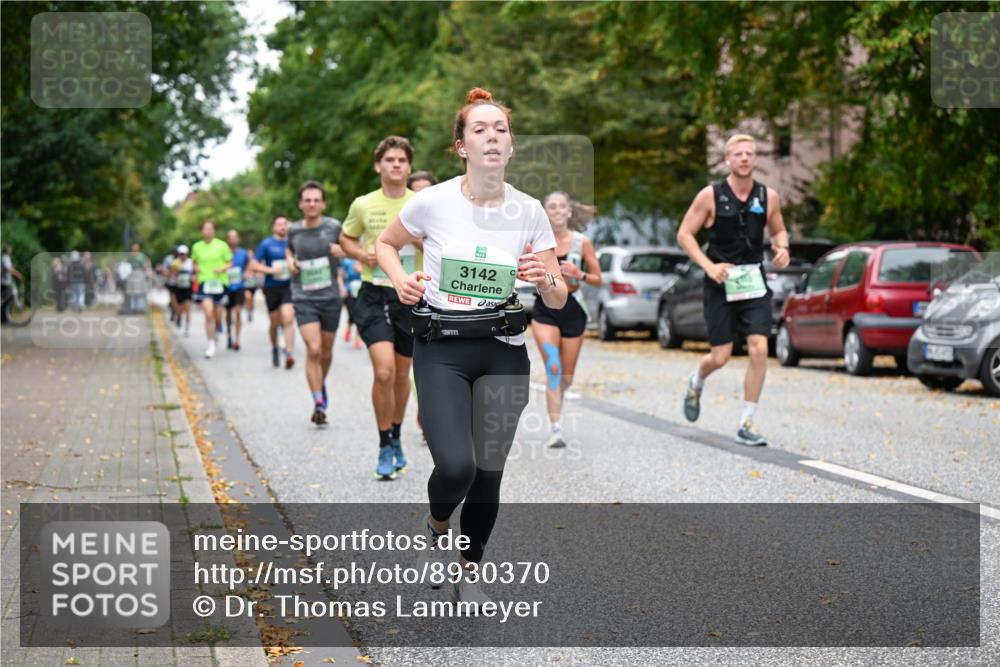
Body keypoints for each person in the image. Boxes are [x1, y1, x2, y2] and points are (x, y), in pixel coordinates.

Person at [375, 87, 567, 604]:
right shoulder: (432, 201)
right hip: (443, 348)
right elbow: (386, 244)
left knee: (488, 472)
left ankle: (469, 566)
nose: (491, 137)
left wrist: (543, 278)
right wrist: (399, 280)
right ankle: (436, 530)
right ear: (461, 145)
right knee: (456, 465)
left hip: (503, 349)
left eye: (500, 129)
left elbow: (559, 289)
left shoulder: (528, 211)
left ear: (511, 145)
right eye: (479, 129)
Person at [676, 133, 790, 446]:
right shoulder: (710, 196)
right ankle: (696, 380)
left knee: (759, 346)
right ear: (728, 160)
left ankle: (747, 421)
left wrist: (783, 248)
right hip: (720, 283)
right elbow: (685, 234)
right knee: (721, 356)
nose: (743, 158)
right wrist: (708, 266)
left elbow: (779, 230)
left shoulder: (769, 197)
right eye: (737, 153)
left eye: (749, 153)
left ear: (755, 159)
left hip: (753, 281)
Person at [340, 135, 420, 479]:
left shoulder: (423, 202)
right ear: (379, 166)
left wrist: (416, 240)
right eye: (390, 160)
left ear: (409, 167)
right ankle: (384, 443)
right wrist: (361, 254)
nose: (396, 165)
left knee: (402, 374)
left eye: (402, 160)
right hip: (373, 292)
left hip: (410, 295)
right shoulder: (362, 204)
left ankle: (398, 434)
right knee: (384, 370)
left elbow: (440, 241)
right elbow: (346, 238)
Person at [530, 191, 601, 448]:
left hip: (573, 310)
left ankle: (559, 395)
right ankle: (556, 428)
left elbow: (597, 279)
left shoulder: (582, 243)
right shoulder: (538, 240)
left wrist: (578, 273)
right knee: (554, 368)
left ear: (569, 212)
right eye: (552, 207)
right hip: (546, 310)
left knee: (567, 376)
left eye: (562, 206)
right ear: (546, 213)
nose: (558, 210)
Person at [286, 182, 346, 425]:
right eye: (307, 200)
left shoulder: (334, 227)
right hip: (304, 296)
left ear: (323, 203)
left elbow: (349, 247)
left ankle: (319, 383)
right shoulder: (294, 230)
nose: (311, 204)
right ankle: (318, 400)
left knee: (326, 352)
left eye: (316, 200)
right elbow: (289, 251)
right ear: (301, 204)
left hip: (330, 296)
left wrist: (342, 250)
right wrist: (290, 261)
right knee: (314, 349)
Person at [252, 216, 296, 369]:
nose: (282, 227)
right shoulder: (266, 244)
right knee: (275, 323)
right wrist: (270, 270)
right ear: (273, 228)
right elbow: (254, 265)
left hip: (289, 287)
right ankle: (275, 348)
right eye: (279, 224)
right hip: (271, 288)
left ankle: (289, 353)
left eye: (285, 224)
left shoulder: (293, 242)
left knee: (288, 318)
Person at [190, 220, 232, 359]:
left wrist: (222, 268)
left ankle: (218, 326)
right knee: (208, 313)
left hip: (219, 283)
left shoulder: (222, 245)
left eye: (210, 229)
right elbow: (194, 263)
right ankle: (211, 343)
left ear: (214, 231)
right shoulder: (196, 246)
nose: (207, 231)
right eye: (205, 229)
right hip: (205, 283)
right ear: (202, 231)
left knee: (218, 312)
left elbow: (229, 262)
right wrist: (196, 269)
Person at [225, 229, 249, 351]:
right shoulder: (223, 253)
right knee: (228, 313)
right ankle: (229, 335)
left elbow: (249, 266)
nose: (233, 239)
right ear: (228, 240)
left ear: (238, 239)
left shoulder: (244, 253)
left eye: (235, 237)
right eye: (231, 237)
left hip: (239, 286)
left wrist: (246, 273)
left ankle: (237, 339)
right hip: (227, 287)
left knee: (239, 312)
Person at [170, 245, 194, 336]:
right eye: (181, 254)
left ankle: (187, 328)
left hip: (188, 288)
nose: (182, 256)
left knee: (188, 308)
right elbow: (171, 274)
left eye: (184, 254)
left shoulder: (191, 263)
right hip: (178, 288)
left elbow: (195, 273)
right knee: (178, 308)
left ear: (187, 254)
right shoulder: (175, 263)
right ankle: (178, 316)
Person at [340, 256, 363, 349]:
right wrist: (342, 287)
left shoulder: (364, 260)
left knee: (359, 315)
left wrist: (361, 269)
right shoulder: (346, 261)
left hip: (361, 291)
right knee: (352, 314)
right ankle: (349, 329)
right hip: (349, 290)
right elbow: (341, 275)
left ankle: (357, 338)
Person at [1, 246, 24, 321]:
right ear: (7, 251)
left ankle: (5, 317)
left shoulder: (4, 258)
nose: (11, 251)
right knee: (9, 298)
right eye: (10, 250)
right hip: (5, 282)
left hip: (6, 282)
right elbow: (8, 268)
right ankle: (5, 317)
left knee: (8, 298)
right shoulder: (5, 258)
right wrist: (17, 274)